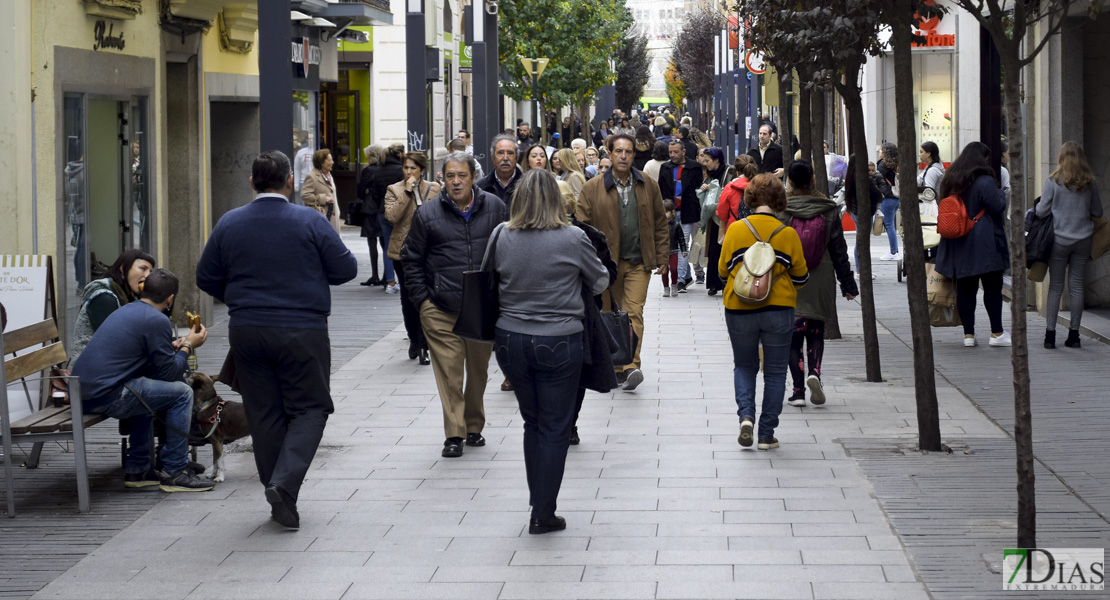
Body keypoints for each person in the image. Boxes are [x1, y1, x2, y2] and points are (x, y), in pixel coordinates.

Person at [196, 150, 358, 528]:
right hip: (303, 328)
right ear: (289, 182)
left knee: (263, 412)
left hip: (248, 329)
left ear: (251, 182)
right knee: (311, 408)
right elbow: (346, 268)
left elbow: (207, 277)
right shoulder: (309, 221)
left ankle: (278, 495)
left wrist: (239, 293)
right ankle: (283, 485)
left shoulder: (229, 223)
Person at [490, 170, 608, 534]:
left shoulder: (501, 234)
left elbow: (487, 277)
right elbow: (601, 279)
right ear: (557, 200)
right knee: (556, 426)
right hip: (560, 339)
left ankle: (537, 499)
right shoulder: (572, 237)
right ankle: (543, 510)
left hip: (511, 339)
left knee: (533, 421)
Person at [401, 152, 508, 458]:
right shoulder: (428, 214)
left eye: (462, 176)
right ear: (442, 179)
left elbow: (507, 252)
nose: (456, 182)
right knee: (450, 371)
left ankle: (474, 425)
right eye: (450, 176)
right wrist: (422, 300)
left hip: (481, 307)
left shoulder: (495, 208)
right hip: (440, 306)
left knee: (478, 371)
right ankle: (454, 433)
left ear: (474, 178)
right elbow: (412, 259)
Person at [71, 269, 212, 492]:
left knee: (146, 391)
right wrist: (188, 346)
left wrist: (173, 348)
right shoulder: (157, 320)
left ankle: (138, 469)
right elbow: (170, 374)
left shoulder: (128, 310)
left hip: (83, 392)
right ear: (170, 298)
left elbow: (153, 363)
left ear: (144, 290)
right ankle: (175, 470)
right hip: (107, 394)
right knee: (181, 394)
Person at [719, 174, 808, 451]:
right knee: (776, 372)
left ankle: (746, 416)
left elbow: (723, 272)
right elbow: (802, 277)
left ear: (751, 198)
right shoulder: (788, 234)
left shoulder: (735, 230)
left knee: (744, 365)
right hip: (779, 310)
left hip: (739, 308)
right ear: (779, 199)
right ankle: (766, 433)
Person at [575, 133, 670, 392]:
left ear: (634, 155)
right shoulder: (592, 187)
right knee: (609, 315)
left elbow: (661, 223)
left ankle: (631, 365)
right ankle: (616, 366)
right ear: (610, 153)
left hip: (639, 262)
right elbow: (580, 226)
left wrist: (662, 256)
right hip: (607, 266)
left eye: (628, 152)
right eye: (618, 151)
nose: (624, 156)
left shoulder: (648, 184)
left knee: (633, 312)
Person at [780, 161, 858, 407]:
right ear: (812, 179)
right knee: (815, 331)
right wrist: (847, 283)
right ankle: (815, 372)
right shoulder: (828, 209)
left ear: (789, 181)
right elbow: (839, 251)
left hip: (790, 278)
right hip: (820, 276)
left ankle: (798, 390)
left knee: (793, 336)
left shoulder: (781, 210)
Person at [558, 179, 618, 446]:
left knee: (577, 373)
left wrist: (587, 281)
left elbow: (608, 273)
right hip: (549, 318)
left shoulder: (589, 236)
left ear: (569, 202)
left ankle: (570, 422)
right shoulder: (530, 233)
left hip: (583, 316)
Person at [934, 141, 1011, 348]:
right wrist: (1002, 193)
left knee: (966, 288)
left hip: (957, 240)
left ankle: (969, 335)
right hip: (983, 241)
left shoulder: (950, 179)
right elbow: (997, 206)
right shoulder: (984, 180)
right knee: (992, 288)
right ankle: (997, 333)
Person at [1037, 141, 1104, 349]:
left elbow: (1041, 212)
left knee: (1056, 287)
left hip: (1058, 240)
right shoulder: (1089, 183)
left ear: (1061, 158)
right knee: (1076, 285)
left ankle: (1050, 335)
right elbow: (1097, 212)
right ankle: (1074, 335)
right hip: (1083, 240)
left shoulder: (1053, 181)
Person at [385, 151, 442, 365]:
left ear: (422, 170)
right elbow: (391, 217)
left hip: (429, 251)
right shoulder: (394, 189)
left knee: (426, 297)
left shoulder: (434, 189)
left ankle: (424, 343)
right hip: (403, 252)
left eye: (413, 168)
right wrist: (406, 193)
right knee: (409, 299)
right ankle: (414, 339)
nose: (409, 172)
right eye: (406, 167)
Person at [71, 249, 155, 361]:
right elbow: (113, 343)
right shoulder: (104, 297)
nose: (147, 275)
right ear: (122, 268)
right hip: (92, 369)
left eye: (150, 271)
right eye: (143, 268)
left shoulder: (127, 296)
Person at [657, 139, 704, 292]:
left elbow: (699, 189)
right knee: (673, 245)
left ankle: (681, 279)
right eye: (671, 152)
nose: (673, 155)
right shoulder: (665, 168)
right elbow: (661, 190)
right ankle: (687, 276)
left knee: (682, 244)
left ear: (683, 152)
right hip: (670, 212)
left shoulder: (694, 167)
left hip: (687, 212)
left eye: (676, 152)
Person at [371, 144, 406, 293]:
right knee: (403, 245)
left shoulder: (378, 171)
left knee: (387, 247)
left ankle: (390, 282)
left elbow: (374, 194)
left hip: (383, 211)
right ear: (399, 154)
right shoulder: (401, 170)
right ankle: (404, 279)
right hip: (399, 212)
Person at [843, 154, 885, 273]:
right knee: (862, 241)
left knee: (860, 239)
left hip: (855, 211)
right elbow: (877, 194)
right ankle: (860, 269)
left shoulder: (850, 177)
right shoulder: (864, 179)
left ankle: (860, 268)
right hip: (864, 212)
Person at [696, 147, 729, 294]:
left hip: (726, 217)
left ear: (717, 160)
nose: (706, 163)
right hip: (713, 217)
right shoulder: (709, 174)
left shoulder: (729, 172)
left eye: (708, 160)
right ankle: (714, 284)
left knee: (724, 249)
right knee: (714, 250)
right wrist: (704, 188)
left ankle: (725, 281)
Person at [356, 144, 385, 286]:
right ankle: (388, 275)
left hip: (370, 209)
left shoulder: (368, 171)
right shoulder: (383, 169)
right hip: (383, 208)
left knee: (372, 242)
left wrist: (366, 190)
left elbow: (360, 192)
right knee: (385, 242)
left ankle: (375, 275)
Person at [477, 134, 524, 210]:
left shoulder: (528, 185)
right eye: (500, 153)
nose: (505, 158)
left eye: (510, 153)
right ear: (493, 158)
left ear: (517, 158)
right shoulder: (480, 187)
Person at [300, 148, 340, 232]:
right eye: (329, 160)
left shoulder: (328, 175)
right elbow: (305, 195)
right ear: (322, 163)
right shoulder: (312, 176)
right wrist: (323, 198)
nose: (332, 162)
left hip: (333, 219)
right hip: (322, 219)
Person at [876, 142, 901, 260]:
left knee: (889, 225)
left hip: (888, 197)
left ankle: (893, 252)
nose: (879, 151)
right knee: (891, 225)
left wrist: (883, 194)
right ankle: (894, 250)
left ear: (885, 152)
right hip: (896, 197)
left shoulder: (882, 165)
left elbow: (879, 182)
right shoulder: (896, 163)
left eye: (881, 150)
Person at [660, 199, 686, 297]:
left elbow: (681, 239)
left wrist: (684, 250)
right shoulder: (659, 225)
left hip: (673, 250)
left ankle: (674, 285)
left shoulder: (676, 225)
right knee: (664, 270)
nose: (664, 214)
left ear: (672, 212)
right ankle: (666, 288)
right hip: (662, 252)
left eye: (666, 212)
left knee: (674, 269)